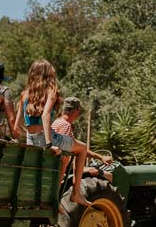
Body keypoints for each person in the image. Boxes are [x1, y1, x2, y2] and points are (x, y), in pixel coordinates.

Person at [15, 61, 111, 202]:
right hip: (49, 139)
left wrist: (31, 136)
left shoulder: (24, 94)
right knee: (82, 148)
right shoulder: (51, 92)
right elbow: (45, 115)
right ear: (48, 75)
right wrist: (48, 144)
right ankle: (76, 194)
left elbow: (17, 127)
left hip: (32, 139)